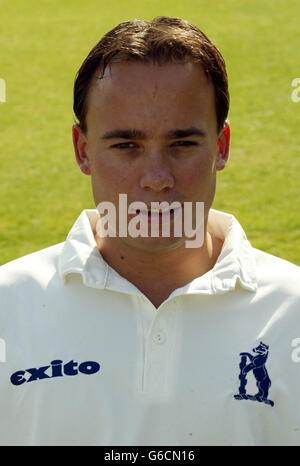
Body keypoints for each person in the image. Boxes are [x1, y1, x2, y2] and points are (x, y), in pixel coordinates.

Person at [0, 16, 299, 447]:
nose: (156, 178)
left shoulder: (292, 313)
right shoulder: (9, 308)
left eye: (182, 144)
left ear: (221, 146)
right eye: (126, 146)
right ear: (83, 150)